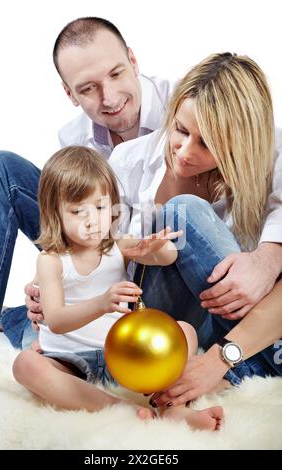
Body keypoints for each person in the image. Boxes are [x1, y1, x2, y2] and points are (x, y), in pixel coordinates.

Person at [0, 17, 172, 351]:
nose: (109, 98)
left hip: (151, 269)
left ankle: (19, 323)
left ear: (133, 60)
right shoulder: (73, 137)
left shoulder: (184, 107)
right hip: (96, 253)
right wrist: (48, 281)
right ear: (70, 94)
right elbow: (78, 231)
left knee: (43, 342)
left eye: (116, 73)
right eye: (88, 88)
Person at [108, 52, 282, 406]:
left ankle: (239, 367)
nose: (185, 152)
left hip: (243, 332)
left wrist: (270, 256)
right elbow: (99, 250)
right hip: (161, 323)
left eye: (207, 143)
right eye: (181, 130)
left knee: (183, 213)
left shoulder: (272, 158)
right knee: (181, 212)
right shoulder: (128, 161)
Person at [12, 146, 223, 431]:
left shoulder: (117, 245)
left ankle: (172, 406)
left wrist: (158, 249)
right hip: (69, 360)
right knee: (25, 365)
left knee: (184, 331)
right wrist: (102, 302)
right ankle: (117, 408)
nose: (92, 220)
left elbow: (168, 258)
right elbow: (57, 321)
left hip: (122, 355)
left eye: (100, 207)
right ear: (54, 213)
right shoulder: (51, 260)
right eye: (77, 211)